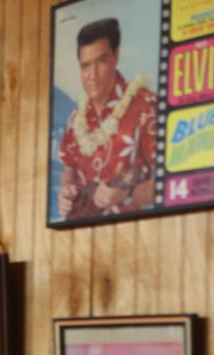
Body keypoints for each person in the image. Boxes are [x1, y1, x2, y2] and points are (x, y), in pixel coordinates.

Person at [57, 18, 157, 220]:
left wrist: (128, 194)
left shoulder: (146, 105)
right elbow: (68, 172)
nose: (92, 76)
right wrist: (65, 194)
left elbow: (172, 182)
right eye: (85, 66)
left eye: (101, 61)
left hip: (137, 236)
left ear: (116, 56)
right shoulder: (76, 118)